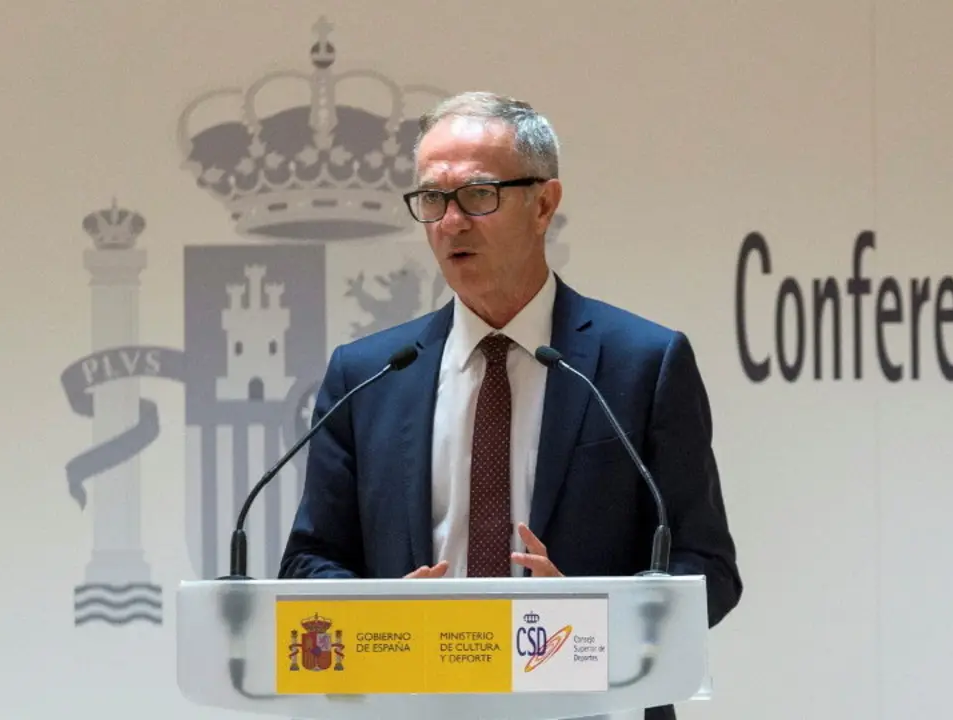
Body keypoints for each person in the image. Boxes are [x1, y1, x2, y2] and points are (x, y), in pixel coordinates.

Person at [279, 91, 741, 720]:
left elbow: (707, 567)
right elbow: (310, 560)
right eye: (432, 199)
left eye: (477, 194)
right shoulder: (370, 375)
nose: (450, 222)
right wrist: (378, 613)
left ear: (544, 204)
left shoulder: (642, 362)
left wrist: (595, 619)